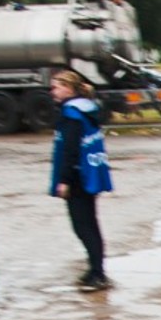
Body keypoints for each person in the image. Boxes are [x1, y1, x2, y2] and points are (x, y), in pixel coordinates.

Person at [48, 70, 114, 290]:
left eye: (56, 87)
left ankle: (97, 274)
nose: (52, 92)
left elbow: (70, 150)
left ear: (69, 88)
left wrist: (64, 180)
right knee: (89, 225)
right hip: (89, 175)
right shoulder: (86, 108)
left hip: (78, 178)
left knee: (83, 226)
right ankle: (95, 270)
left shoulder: (72, 114)